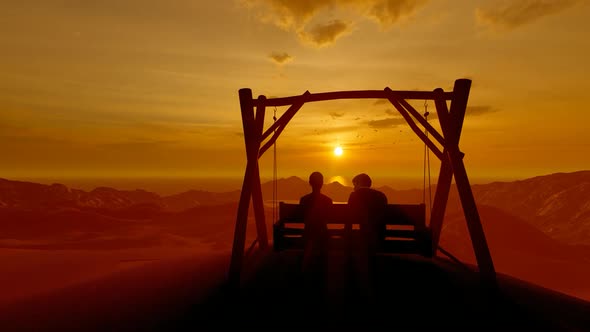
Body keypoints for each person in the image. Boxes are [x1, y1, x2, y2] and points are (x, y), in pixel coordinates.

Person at [346, 173, 388, 302]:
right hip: (380, 238)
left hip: (364, 239)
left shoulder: (355, 196)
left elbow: (349, 219)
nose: (354, 188)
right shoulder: (381, 196)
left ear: (359, 183)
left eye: (354, 185)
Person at [299, 172, 333, 284]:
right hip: (323, 233)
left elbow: (302, 218)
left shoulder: (303, 200)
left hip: (307, 233)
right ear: (322, 183)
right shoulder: (328, 201)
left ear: (310, 183)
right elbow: (329, 218)